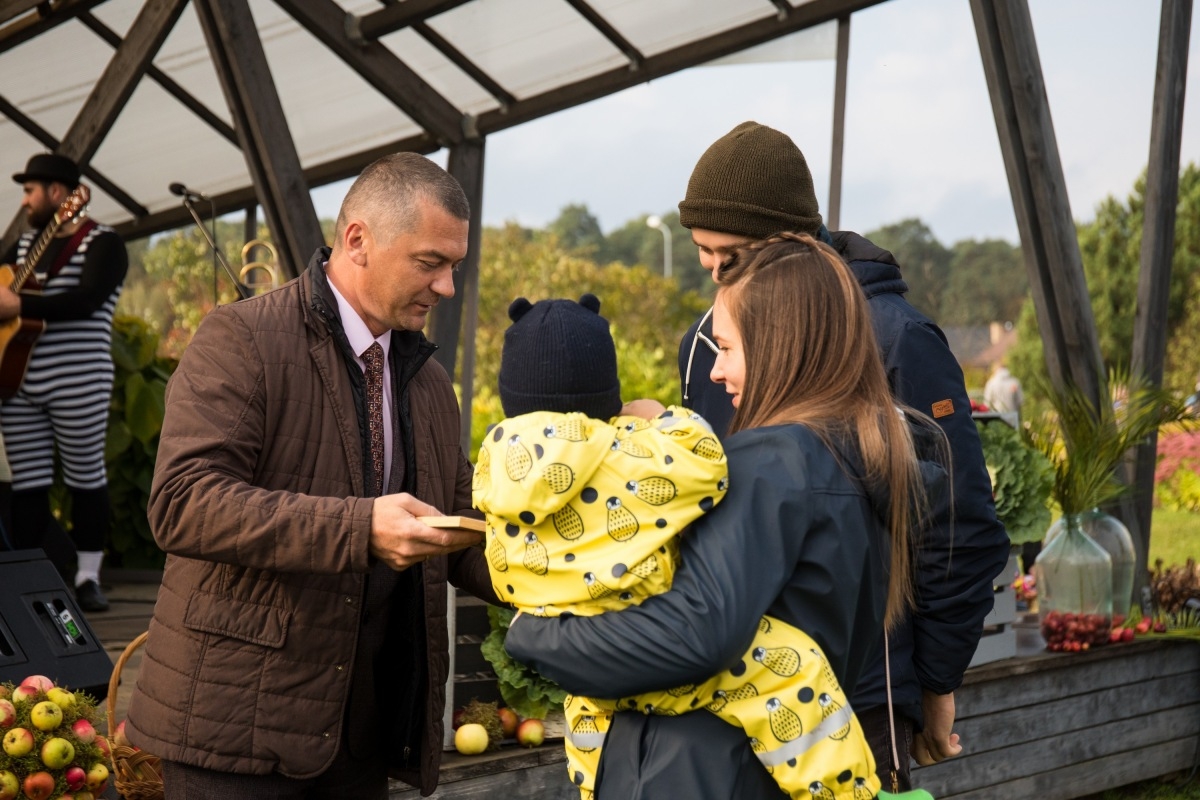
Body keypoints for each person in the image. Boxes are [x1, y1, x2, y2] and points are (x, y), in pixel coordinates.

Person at [505, 233, 946, 799]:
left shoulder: (771, 463)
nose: (714, 373)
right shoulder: (865, 458)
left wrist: (536, 633)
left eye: (726, 348)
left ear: (779, 345)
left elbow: (694, 635)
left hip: (697, 774)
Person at [124, 152, 498, 800]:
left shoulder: (429, 381)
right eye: (430, 262)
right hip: (232, 739)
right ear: (357, 241)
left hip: (358, 739)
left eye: (454, 267)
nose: (446, 288)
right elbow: (183, 501)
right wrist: (359, 528)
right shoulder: (242, 339)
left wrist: (575, 577)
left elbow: (462, 522)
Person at [673, 122, 1011, 789]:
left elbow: (958, 526)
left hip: (859, 697)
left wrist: (932, 685)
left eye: (730, 253)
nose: (713, 271)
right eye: (702, 253)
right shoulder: (705, 344)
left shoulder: (895, 337)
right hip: (734, 695)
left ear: (790, 239)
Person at [0, 153, 129, 612]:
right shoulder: (24, 245)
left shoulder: (103, 243)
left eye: (30, 190)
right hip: (18, 381)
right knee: (29, 485)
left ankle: (88, 577)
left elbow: (88, 300)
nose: (25, 199)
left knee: (84, 477)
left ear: (58, 194)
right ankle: (29, 578)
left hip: (78, 379)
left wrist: (21, 309)